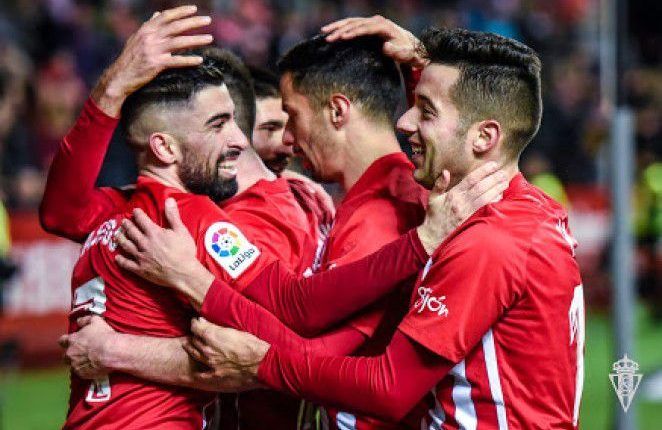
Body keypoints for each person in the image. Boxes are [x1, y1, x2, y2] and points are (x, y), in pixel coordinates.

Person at [109, 18, 585, 429]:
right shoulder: (525, 210)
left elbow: (379, 380)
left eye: (425, 110)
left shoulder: (473, 237)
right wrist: (423, 61)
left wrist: (195, 292)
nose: (404, 122)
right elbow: (474, 136)